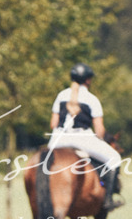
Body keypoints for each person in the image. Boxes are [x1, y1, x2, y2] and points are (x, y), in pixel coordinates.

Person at [48, 63, 123, 210]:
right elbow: (99, 131)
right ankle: (108, 200)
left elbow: (53, 124)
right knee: (115, 159)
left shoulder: (61, 95)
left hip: (57, 139)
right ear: (88, 80)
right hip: (81, 139)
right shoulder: (92, 99)